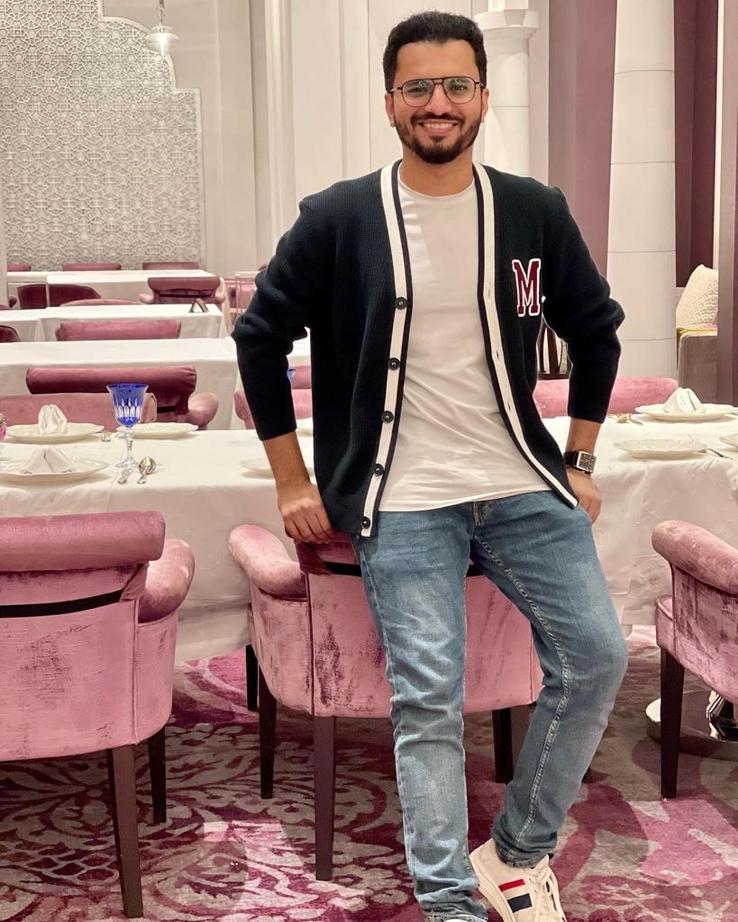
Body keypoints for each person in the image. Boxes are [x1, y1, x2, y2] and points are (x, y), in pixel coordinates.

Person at [233, 11, 628, 921]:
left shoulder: (533, 209)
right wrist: (292, 479)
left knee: (599, 656)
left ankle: (517, 851)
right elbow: (259, 335)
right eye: (418, 86)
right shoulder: (339, 217)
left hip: (521, 483)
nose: (438, 102)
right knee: (429, 699)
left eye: (456, 84)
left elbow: (597, 329)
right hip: (401, 498)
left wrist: (580, 456)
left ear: (483, 96)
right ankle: (448, 903)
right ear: (390, 103)